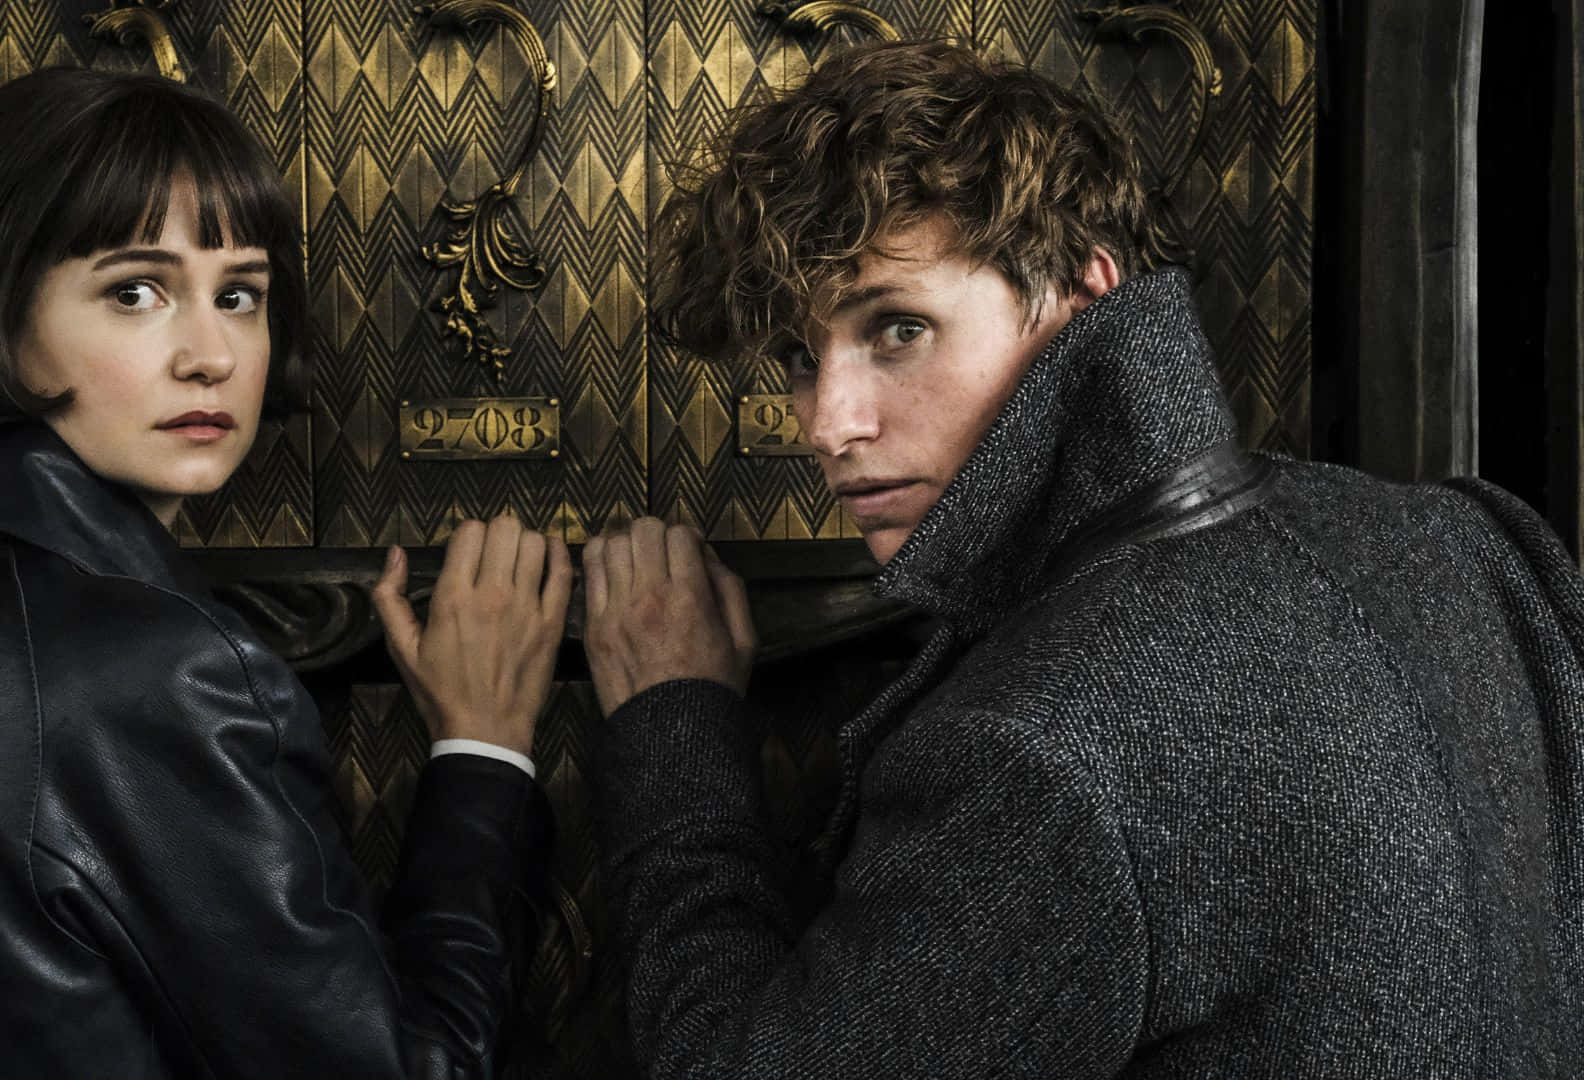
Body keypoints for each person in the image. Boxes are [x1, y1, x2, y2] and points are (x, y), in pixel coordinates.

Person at [577, 39, 1583, 1076]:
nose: (829, 422)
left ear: (1082, 291)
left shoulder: (1039, 754)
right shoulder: (1467, 542)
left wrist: (676, 726)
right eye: (799, 356)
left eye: (898, 329)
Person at [0, 67, 568, 1078]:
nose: (210, 354)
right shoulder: (167, 674)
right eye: (134, 292)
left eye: (240, 294)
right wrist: (484, 755)